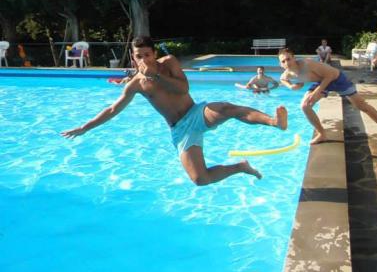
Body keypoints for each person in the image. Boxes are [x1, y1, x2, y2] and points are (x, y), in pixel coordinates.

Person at [62, 36, 288, 186]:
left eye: (147, 55)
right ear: (134, 57)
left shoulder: (168, 63)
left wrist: (157, 75)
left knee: (229, 108)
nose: (143, 59)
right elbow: (112, 109)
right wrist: (85, 127)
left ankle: (274, 121)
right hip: (180, 131)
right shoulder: (136, 84)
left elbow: (183, 88)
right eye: (139, 56)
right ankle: (240, 167)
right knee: (200, 179)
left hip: (197, 113)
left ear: (153, 54)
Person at [278, 48, 377, 150]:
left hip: (337, 79)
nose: (287, 62)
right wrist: (292, 86)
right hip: (322, 82)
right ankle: (322, 133)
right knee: (305, 106)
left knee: (362, 106)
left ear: (294, 58)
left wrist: (316, 91)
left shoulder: (307, 64)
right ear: (281, 64)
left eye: (288, 59)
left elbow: (329, 75)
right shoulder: (287, 74)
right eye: (283, 61)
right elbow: (282, 79)